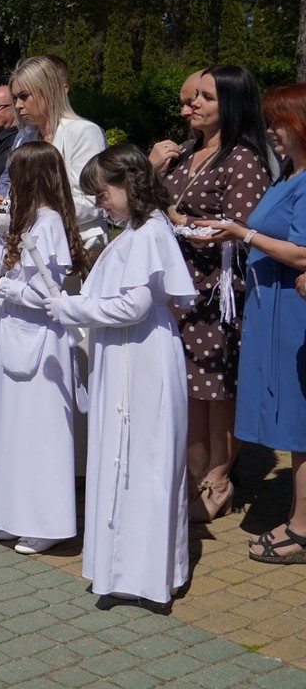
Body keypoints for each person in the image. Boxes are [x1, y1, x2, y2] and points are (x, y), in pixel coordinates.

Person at [47, 143, 195, 607]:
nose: (99, 202)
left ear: (129, 183)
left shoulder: (151, 233)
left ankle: (147, 574)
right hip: (129, 352)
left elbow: (134, 305)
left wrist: (71, 307)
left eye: (103, 191)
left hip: (142, 355)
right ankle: (122, 566)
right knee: (122, 455)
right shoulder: (136, 228)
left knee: (142, 458)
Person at [154, 65, 271, 523]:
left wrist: (178, 220)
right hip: (177, 289)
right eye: (191, 97)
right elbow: (144, 206)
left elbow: (240, 230)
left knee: (217, 389)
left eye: (205, 97)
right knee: (188, 386)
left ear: (232, 105)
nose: (192, 105)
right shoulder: (182, 153)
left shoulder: (243, 159)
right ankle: (193, 469)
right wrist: (150, 169)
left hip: (215, 290)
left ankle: (219, 477)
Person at [196, 83, 306, 563]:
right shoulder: (288, 175)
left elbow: (302, 251)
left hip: (295, 312)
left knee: (302, 423)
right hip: (271, 310)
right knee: (291, 421)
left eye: (279, 122)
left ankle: (302, 529)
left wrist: (243, 232)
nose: (272, 132)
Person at [0, 142, 87, 554]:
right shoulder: (28, 220)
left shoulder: (50, 223)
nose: (7, 182)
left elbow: (46, 294)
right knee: (12, 428)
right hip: (14, 335)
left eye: (13, 174)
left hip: (41, 341)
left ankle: (48, 520)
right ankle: (12, 512)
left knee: (41, 431)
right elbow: (10, 269)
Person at [0, 55, 107, 247]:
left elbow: (94, 202)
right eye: (15, 98)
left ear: (50, 91)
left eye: (24, 96)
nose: (17, 105)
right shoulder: (24, 138)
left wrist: (34, 208)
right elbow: (13, 194)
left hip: (79, 245)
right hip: (33, 244)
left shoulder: (83, 132)